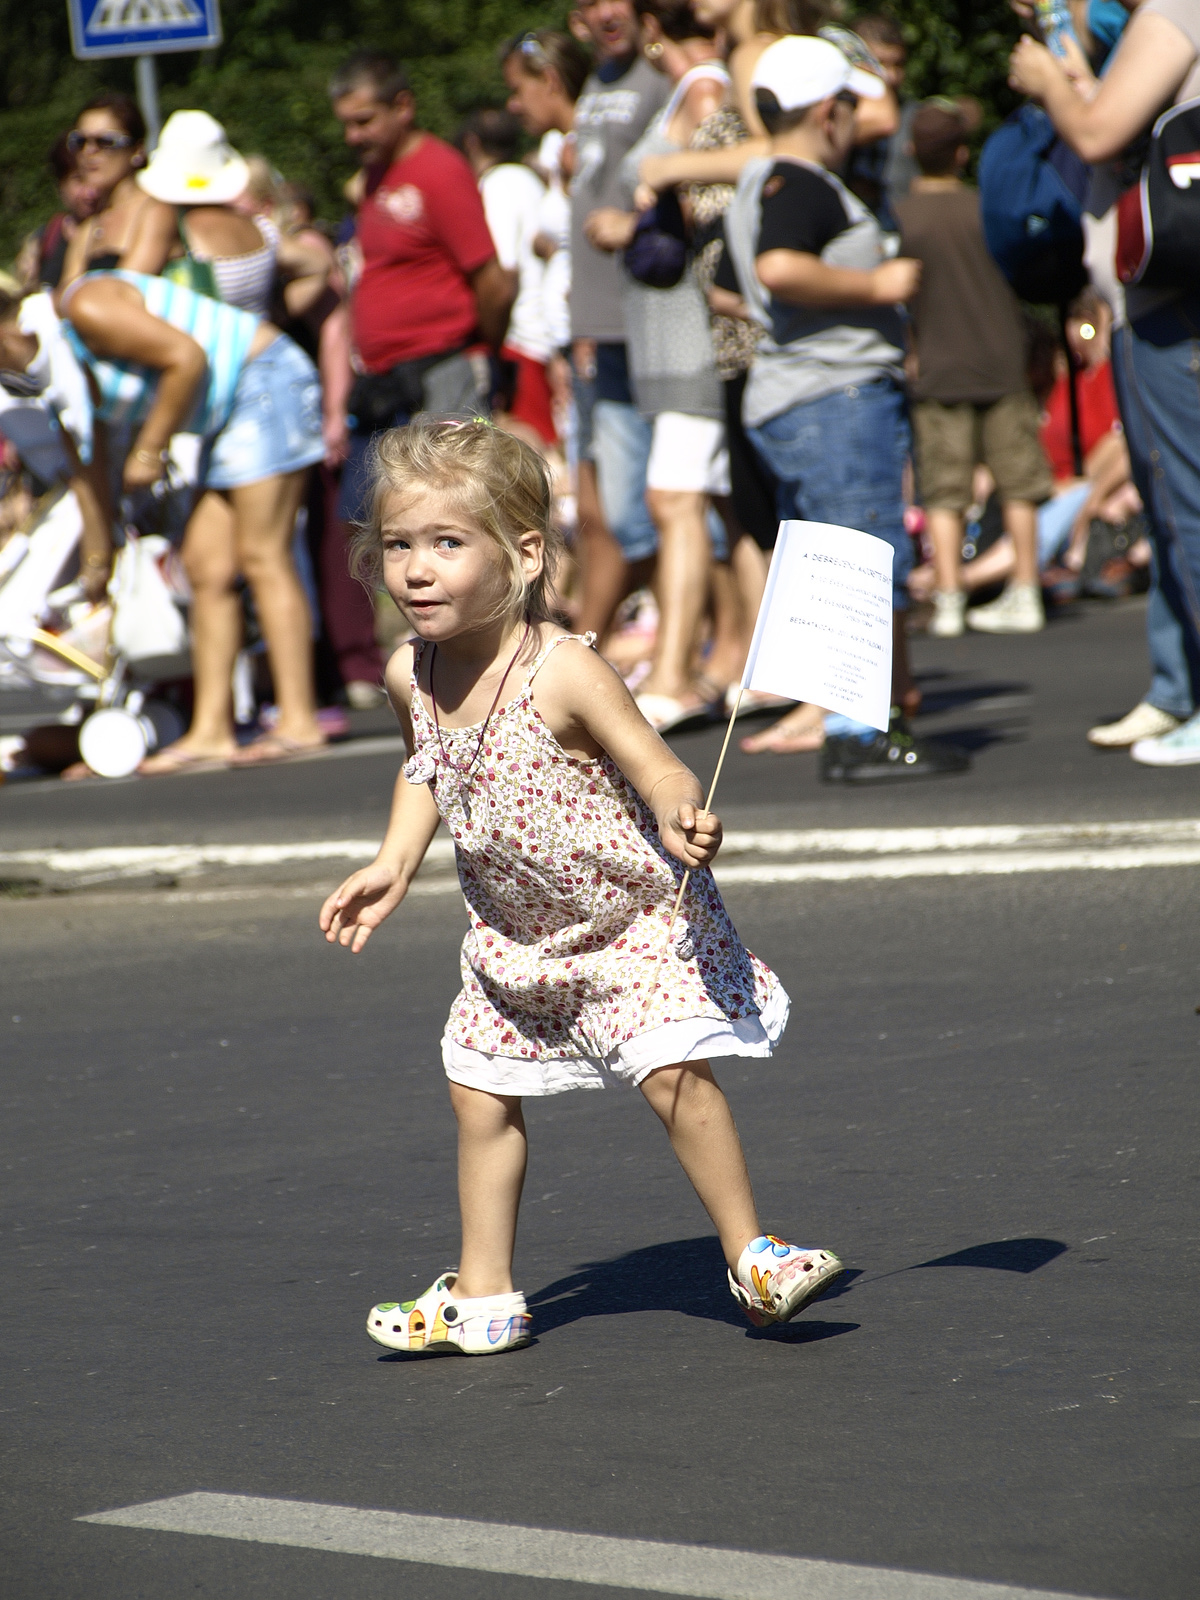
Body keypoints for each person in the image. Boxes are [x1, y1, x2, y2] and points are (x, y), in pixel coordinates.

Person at [318, 417, 842, 1354]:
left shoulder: (565, 670)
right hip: (516, 937)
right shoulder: (412, 673)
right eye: (398, 546)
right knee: (477, 1095)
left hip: (634, 920)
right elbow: (424, 770)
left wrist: (687, 810)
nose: (416, 570)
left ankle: (753, 1255)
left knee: (674, 1074)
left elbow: (659, 765)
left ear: (522, 554)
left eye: (447, 543)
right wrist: (394, 862)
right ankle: (485, 1294)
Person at [722, 35, 968, 780]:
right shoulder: (802, 183)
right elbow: (779, 267)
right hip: (832, 394)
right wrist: (878, 288)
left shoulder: (759, 178)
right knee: (860, 558)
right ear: (829, 110)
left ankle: (866, 722)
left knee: (834, 560)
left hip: (795, 392)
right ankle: (861, 734)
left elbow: (731, 279)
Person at [21, 271, 326, 770]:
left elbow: (186, 357)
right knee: (206, 567)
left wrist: (149, 448)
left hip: (263, 380)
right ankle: (211, 731)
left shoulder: (85, 308)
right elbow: (90, 472)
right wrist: (98, 564)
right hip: (227, 410)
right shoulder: (53, 376)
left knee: (262, 554)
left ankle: (300, 720)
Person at [1009, 2, 1200, 764]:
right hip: (1153, 300)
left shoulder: (1174, 9)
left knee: (1186, 507)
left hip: (1170, 302)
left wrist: (1044, 79)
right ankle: (1176, 688)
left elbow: (1094, 130)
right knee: (1168, 506)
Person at [585, 0, 734, 730]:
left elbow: (717, 199)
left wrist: (634, 219)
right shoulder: (694, 85)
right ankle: (726, 659)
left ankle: (675, 672)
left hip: (688, 335)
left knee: (675, 499)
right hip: (668, 335)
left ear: (654, 28)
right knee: (723, 505)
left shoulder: (703, 85)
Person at [328, 52, 515, 522]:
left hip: (440, 374)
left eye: (364, 121)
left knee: (449, 511)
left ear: (403, 106)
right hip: (383, 385)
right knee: (379, 521)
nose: (354, 137)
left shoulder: (439, 171)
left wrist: (478, 353)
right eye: (347, 125)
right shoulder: (375, 175)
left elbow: (493, 282)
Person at [894, 99, 1054, 638]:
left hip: (937, 366)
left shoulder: (900, 217)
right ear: (962, 154)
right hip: (1001, 360)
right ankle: (1027, 587)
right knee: (1018, 483)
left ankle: (949, 598)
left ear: (914, 152)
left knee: (944, 490)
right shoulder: (989, 207)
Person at [569, 0, 671, 642]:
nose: (603, 12)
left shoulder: (661, 78)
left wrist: (634, 226)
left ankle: (705, 638)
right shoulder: (596, 82)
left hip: (649, 318)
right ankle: (677, 630)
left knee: (671, 501)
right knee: (626, 512)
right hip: (601, 326)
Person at [460, 108, 557, 447]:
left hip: (521, 343)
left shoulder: (497, 185)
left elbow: (503, 275)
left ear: (471, 144)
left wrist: (490, 345)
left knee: (529, 458)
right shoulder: (528, 179)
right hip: (544, 335)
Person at [58, 93, 176, 286]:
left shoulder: (157, 212)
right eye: (80, 141)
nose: (89, 151)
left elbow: (123, 292)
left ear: (137, 150)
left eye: (105, 142)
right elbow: (63, 298)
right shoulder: (89, 227)